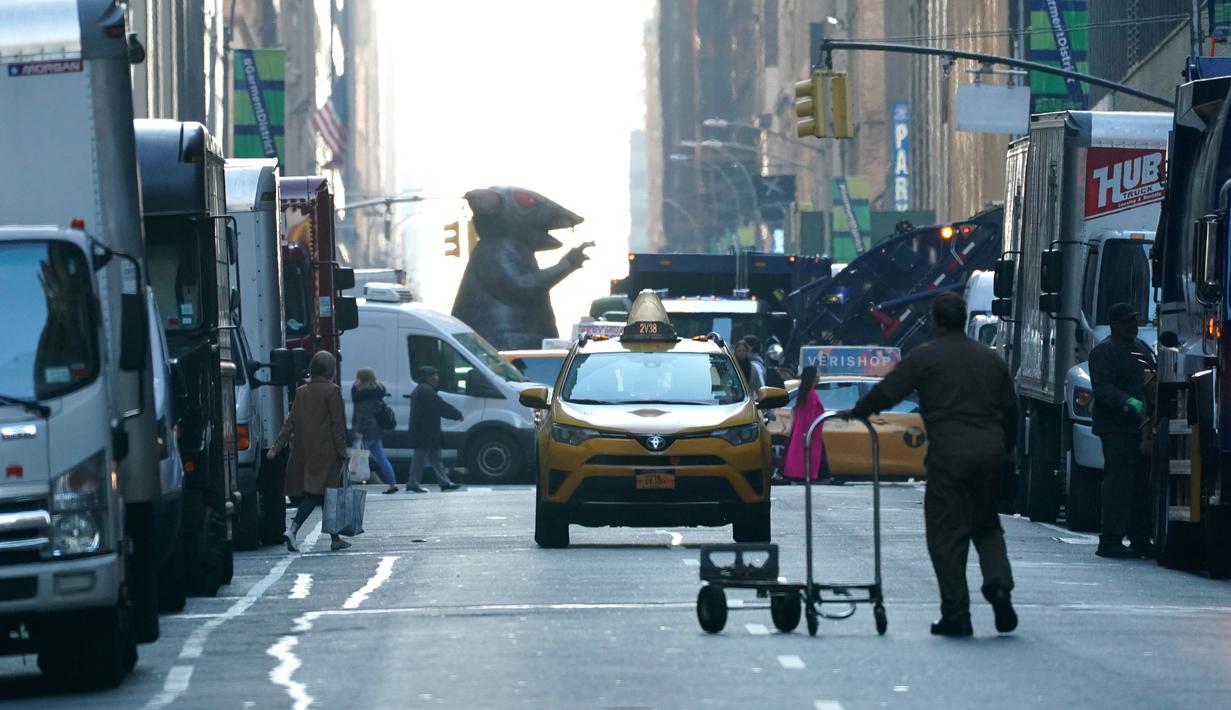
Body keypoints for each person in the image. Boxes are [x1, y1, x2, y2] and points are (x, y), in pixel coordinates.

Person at [848, 292, 1018, 637]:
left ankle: (957, 613)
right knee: (986, 526)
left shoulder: (925, 357)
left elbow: (887, 392)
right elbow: (1011, 410)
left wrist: (858, 412)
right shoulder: (991, 360)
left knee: (947, 534)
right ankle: (999, 584)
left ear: (935, 321)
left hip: (949, 455)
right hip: (990, 453)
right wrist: (1004, 449)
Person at [1088, 302, 1156, 559]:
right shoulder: (1105, 351)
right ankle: (1111, 539)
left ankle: (1140, 537)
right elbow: (1102, 387)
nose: (1133, 325)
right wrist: (1126, 402)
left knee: (1141, 485)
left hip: (1141, 428)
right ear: (1115, 324)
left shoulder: (1140, 349)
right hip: (1117, 428)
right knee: (1118, 483)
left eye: (1135, 320)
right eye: (1128, 321)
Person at [268, 351, 352, 552]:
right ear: (331, 369)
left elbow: (290, 422)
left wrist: (275, 447)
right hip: (327, 453)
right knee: (318, 494)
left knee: (324, 494)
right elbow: (337, 425)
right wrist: (343, 452)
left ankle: (335, 538)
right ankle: (294, 529)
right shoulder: (332, 391)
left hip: (306, 451)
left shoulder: (302, 391)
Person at [407, 366, 464, 493]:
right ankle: (413, 483)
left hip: (427, 431)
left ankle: (444, 482)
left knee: (435, 458)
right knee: (420, 459)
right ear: (427, 378)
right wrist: (456, 414)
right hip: (424, 432)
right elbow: (440, 406)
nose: (436, 378)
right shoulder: (426, 391)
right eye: (433, 376)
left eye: (436, 375)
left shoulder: (424, 389)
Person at [351, 367, 399, 494]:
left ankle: (348, 483)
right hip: (376, 430)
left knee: (354, 458)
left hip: (366, 432)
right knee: (381, 457)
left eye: (357, 377)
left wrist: (359, 431)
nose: (355, 380)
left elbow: (364, 417)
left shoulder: (364, 395)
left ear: (362, 379)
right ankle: (392, 483)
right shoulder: (375, 391)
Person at [784, 366, 825, 482]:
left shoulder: (805, 393)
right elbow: (811, 415)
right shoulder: (812, 394)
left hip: (802, 431)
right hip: (810, 432)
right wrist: (809, 433)